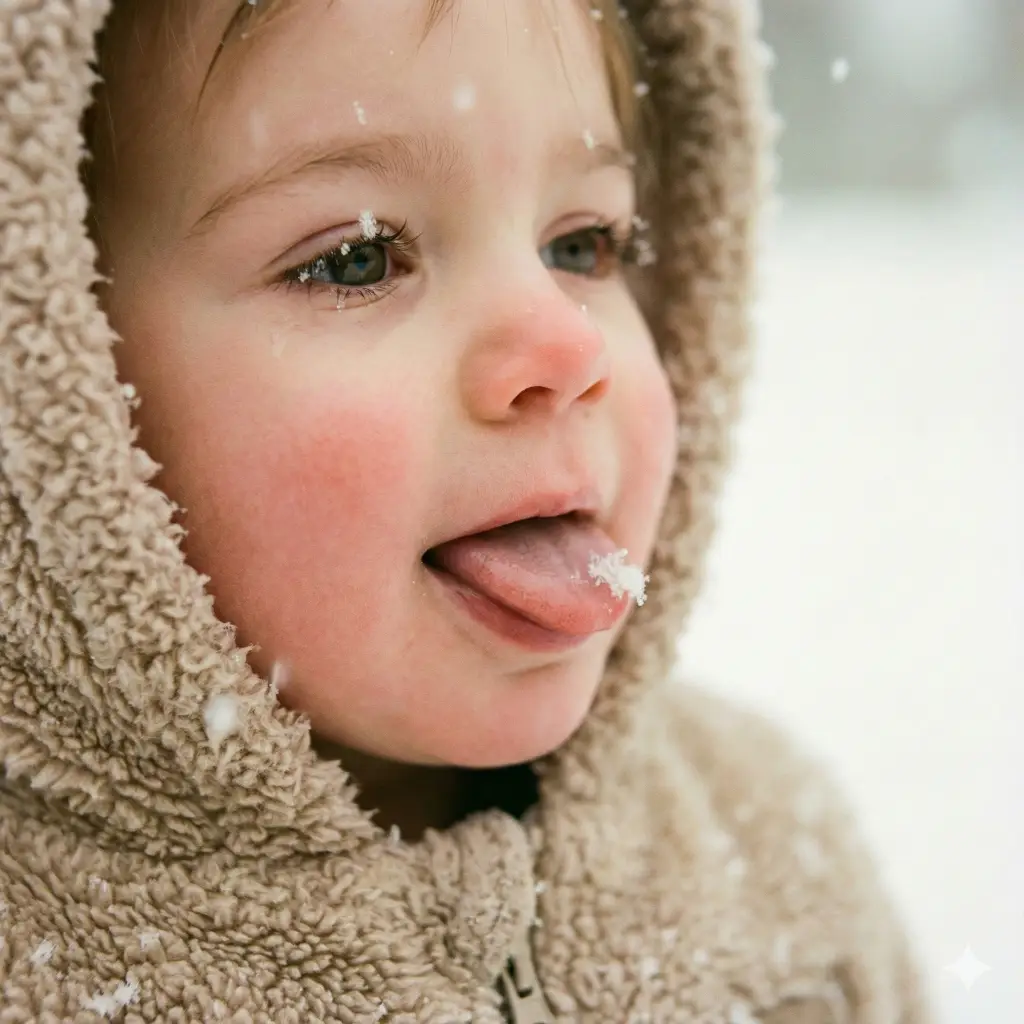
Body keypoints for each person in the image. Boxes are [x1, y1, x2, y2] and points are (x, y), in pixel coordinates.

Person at [0, 1, 932, 1021]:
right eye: (355, 258)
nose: (565, 349)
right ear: (55, 386)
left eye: (582, 244)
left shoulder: (770, 876)